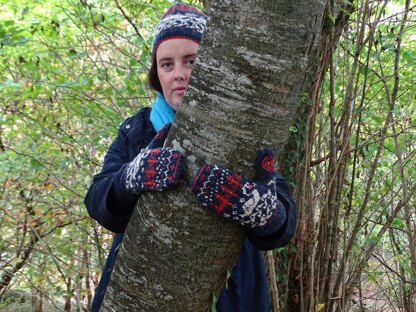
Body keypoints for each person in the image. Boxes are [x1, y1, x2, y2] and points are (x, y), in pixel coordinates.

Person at [84, 2, 296, 311]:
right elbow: (97, 199)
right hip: (139, 282)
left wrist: (265, 213)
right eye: (167, 64)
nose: (179, 74)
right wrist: (130, 178)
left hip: (230, 288)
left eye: (191, 61)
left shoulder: (242, 129)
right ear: (157, 73)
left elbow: (284, 217)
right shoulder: (136, 129)